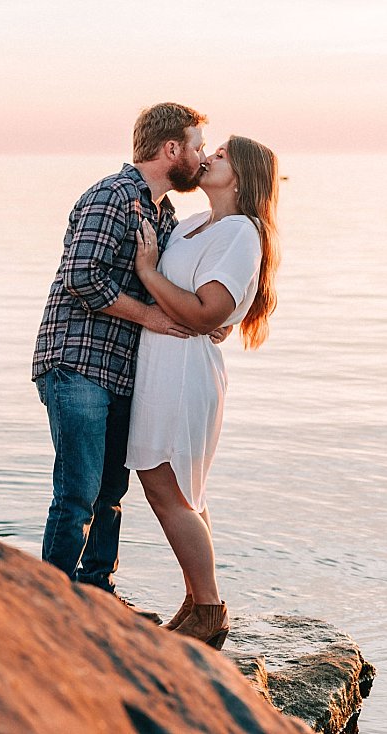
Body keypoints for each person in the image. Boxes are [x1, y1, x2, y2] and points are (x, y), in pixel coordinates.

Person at [32, 102, 208, 615]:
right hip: (77, 362)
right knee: (79, 492)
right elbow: (82, 277)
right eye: (196, 146)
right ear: (171, 148)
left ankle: (97, 597)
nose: (200, 157)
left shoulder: (165, 213)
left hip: (122, 373)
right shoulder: (111, 195)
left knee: (111, 491)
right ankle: (49, 605)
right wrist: (149, 318)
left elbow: (170, 289)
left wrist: (206, 318)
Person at [126, 136, 280, 649]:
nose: (208, 157)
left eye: (221, 156)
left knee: (166, 484)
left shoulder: (241, 232)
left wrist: (149, 273)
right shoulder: (194, 224)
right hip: (161, 364)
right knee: (184, 489)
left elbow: (206, 311)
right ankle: (196, 600)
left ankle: (211, 608)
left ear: (241, 176)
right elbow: (196, 303)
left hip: (185, 371)